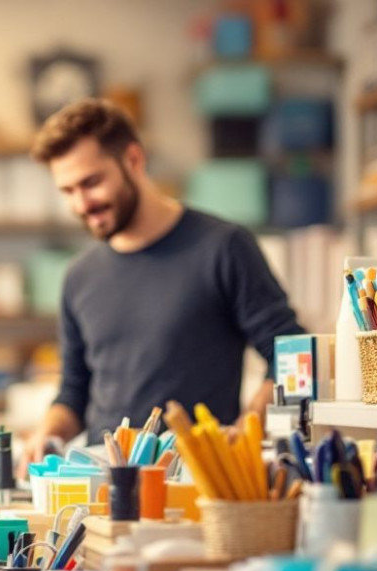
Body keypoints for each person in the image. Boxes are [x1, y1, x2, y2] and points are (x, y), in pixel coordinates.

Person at [24, 99, 305, 467]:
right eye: (68, 191)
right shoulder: (79, 276)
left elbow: (292, 353)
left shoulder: (222, 247)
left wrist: (249, 425)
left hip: (195, 484)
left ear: (133, 160)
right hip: (103, 488)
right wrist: (50, 428)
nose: (81, 204)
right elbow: (74, 393)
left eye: (91, 183)